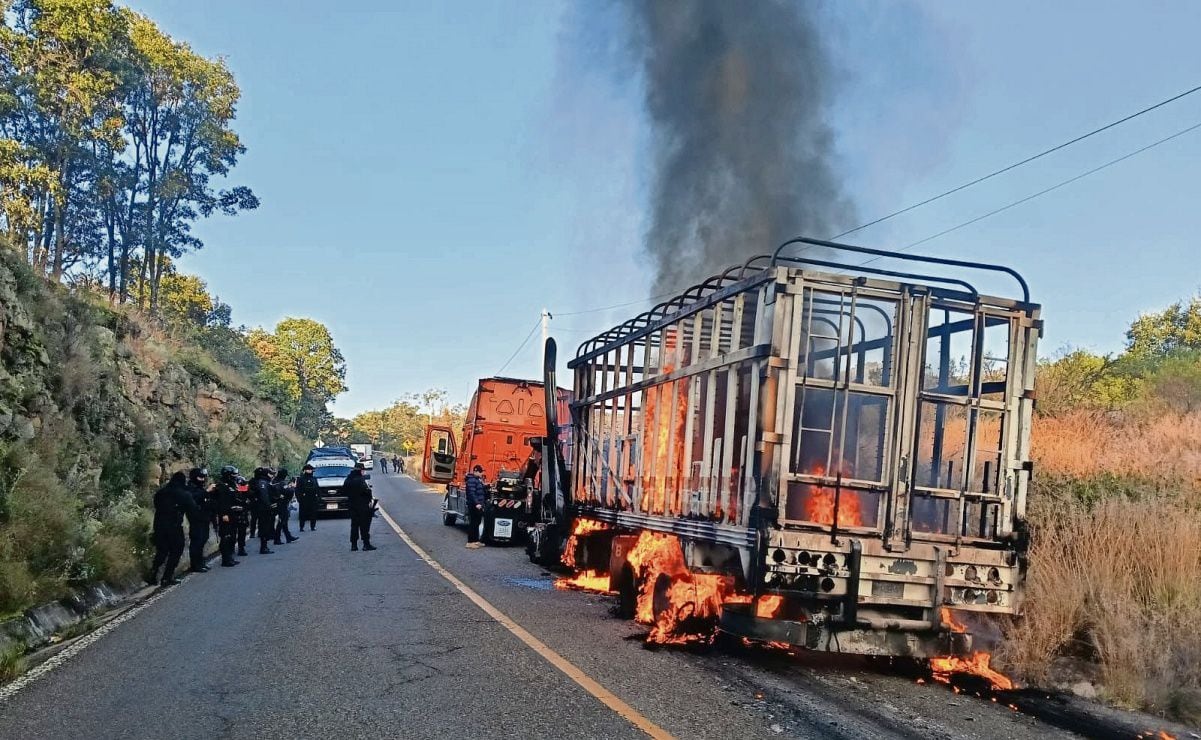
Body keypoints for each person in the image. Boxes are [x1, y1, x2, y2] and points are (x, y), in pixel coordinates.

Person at [148, 471, 197, 586]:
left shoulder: (161, 492)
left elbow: (156, 505)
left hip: (159, 524)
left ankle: (153, 573)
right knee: (176, 551)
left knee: (162, 551)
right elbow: (193, 509)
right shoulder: (183, 494)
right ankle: (167, 577)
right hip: (174, 526)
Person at [214, 466, 244, 567]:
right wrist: (224, 514)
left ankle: (230, 557)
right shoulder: (222, 486)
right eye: (234, 475)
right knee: (226, 537)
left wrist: (246, 484)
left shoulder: (232, 485)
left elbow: (242, 491)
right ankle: (226, 559)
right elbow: (221, 502)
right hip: (226, 515)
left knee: (232, 537)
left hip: (233, 514)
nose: (236, 476)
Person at [186, 467, 213, 573]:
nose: (202, 480)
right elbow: (194, 498)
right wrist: (207, 491)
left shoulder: (200, 487)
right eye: (200, 477)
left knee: (203, 540)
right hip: (196, 519)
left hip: (204, 518)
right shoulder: (190, 488)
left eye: (204, 477)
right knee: (197, 541)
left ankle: (201, 562)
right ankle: (195, 565)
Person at [345, 462, 376, 551]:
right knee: (364, 526)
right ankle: (366, 544)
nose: (363, 472)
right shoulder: (360, 480)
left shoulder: (348, 479)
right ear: (360, 470)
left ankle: (354, 545)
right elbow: (366, 492)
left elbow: (345, 490)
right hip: (362, 506)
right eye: (363, 470)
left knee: (354, 526)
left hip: (352, 505)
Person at [250, 467, 275, 554]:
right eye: (270, 473)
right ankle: (263, 547)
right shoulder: (263, 483)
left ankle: (264, 546)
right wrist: (269, 506)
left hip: (260, 508)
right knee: (264, 527)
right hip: (264, 509)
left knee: (263, 527)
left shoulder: (261, 482)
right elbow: (265, 497)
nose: (271, 475)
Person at [273, 468, 298, 544]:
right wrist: (293, 487)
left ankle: (288, 537)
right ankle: (277, 539)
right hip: (282, 504)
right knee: (282, 521)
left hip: (277, 503)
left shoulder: (274, 481)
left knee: (284, 521)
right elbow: (289, 492)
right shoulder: (281, 483)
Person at [465, 465, 487, 549]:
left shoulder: (477, 480)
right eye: (481, 472)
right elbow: (472, 493)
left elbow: (479, 490)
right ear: (476, 471)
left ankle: (476, 541)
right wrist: (477, 503)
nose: (482, 473)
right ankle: (470, 542)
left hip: (478, 505)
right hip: (474, 505)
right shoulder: (471, 480)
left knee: (477, 522)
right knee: (473, 523)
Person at [295, 463, 321, 531]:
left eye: (311, 470)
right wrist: (298, 498)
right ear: (305, 470)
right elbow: (297, 489)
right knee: (302, 514)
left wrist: (319, 497)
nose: (310, 471)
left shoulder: (314, 479)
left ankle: (313, 526)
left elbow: (317, 488)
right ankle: (301, 527)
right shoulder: (301, 479)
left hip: (313, 499)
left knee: (313, 513)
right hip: (304, 499)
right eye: (308, 470)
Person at [233, 475, 252, 556]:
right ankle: (233, 548)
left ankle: (241, 548)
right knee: (233, 533)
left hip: (242, 514)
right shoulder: (232, 490)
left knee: (242, 533)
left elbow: (251, 495)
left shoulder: (245, 491)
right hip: (234, 514)